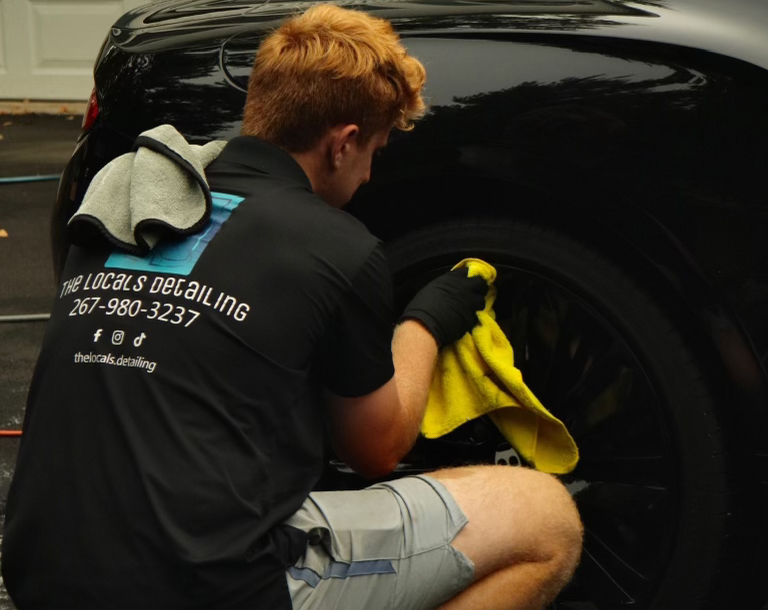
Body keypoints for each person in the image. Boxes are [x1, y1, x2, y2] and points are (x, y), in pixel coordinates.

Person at [2, 5, 582, 610]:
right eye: (374, 152)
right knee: (547, 520)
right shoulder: (336, 245)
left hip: (41, 573)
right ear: (344, 143)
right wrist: (426, 321)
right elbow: (377, 450)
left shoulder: (127, 200)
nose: (367, 176)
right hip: (204, 590)